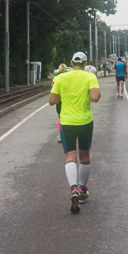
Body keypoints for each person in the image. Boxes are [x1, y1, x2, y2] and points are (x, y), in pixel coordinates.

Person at [49, 52, 101, 214]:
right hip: (85, 121)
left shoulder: (60, 78)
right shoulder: (90, 77)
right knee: (84, 157)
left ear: (71, 62)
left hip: (67, 122)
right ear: (85, 64)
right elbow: (95, 98)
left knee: (70, 157)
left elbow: (52, 101)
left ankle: (73, 190)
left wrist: (62, 96)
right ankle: (83, 190)